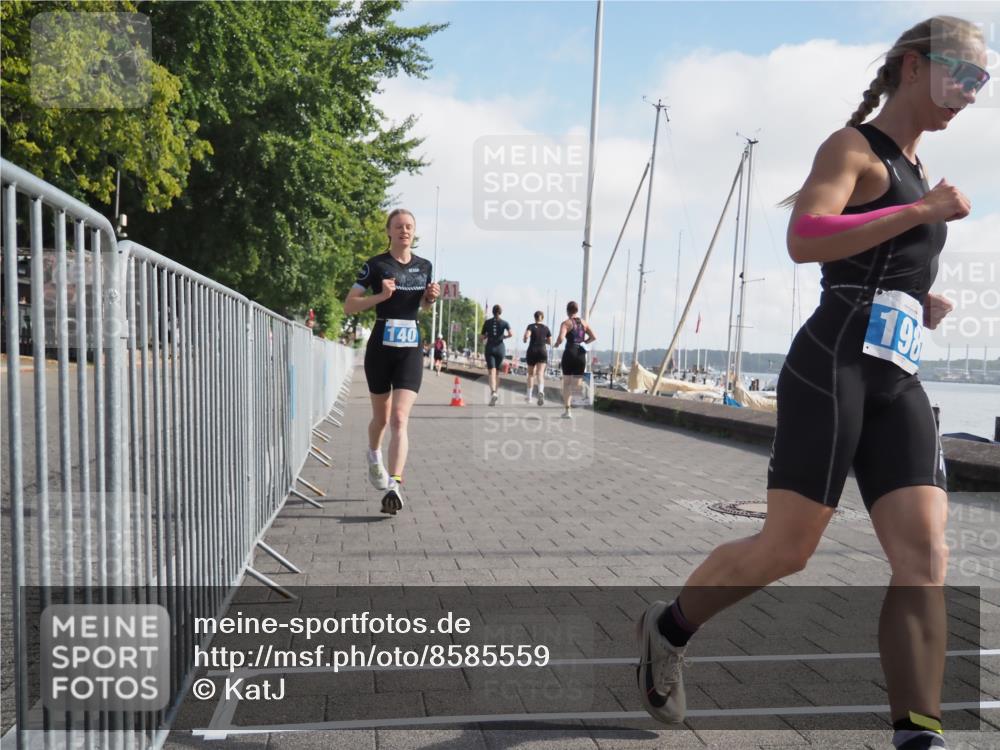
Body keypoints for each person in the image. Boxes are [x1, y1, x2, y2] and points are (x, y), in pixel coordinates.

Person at [635, 17, 983, 750]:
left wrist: (919, 300)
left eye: (984, 83)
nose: (973, 96)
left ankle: (919, 735)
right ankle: (668, 630)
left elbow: (878, 261)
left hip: (898, 376)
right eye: (966, 75)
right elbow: (806, 238)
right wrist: (921, 212)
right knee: (788, 550)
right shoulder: (851, 146)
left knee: (926, 556)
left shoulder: (919, 165)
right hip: (832, 367)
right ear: (914, 67)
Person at [344, 208, 439, 515]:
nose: (404, 230)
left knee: (399, 418)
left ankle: (395, 484)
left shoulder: (424, 266)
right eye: (398, 226)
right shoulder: (375, 265)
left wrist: (429, 298)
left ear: (414, 232)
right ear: (389, 231)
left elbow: (421, 306)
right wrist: (380, 297)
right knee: (381, 419)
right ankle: (374, 456)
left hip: (410, 347)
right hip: (380, 348)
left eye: (409, 226)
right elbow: (349, 305)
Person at [553, 301, 595, 419]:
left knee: (566, 383)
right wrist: (583, 343)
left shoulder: (566, 323)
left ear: (567, 311)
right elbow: (593, 337)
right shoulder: (584, 323)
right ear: (576, 310)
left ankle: (568, 411)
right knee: (576, 382)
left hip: (570, 352)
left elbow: (561, 338)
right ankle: (577, 396)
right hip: (581, 353)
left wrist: (556, 344)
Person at [481, 305, 512, 406]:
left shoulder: (487, 322)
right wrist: (504, 337)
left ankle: (493, 392)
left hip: (490, 347)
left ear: (492, 312)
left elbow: (481, 337)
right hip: (500, 348)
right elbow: (511, 334)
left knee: (491, 372)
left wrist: (487, 335)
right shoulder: (505, 323)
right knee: (497, 373)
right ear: (500, 312)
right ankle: (495, 393)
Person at [523, 311, 552, 405]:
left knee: (531, 374)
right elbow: (550, 342)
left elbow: (527, 335)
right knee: (540, 373)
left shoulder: (531, 326)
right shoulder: (546, 328)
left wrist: (525, 339)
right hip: (542, 351)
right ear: (542, 318)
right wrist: (544, 340)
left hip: (532, 350)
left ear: (534, 318)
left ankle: (529, 397)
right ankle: (540, 391)